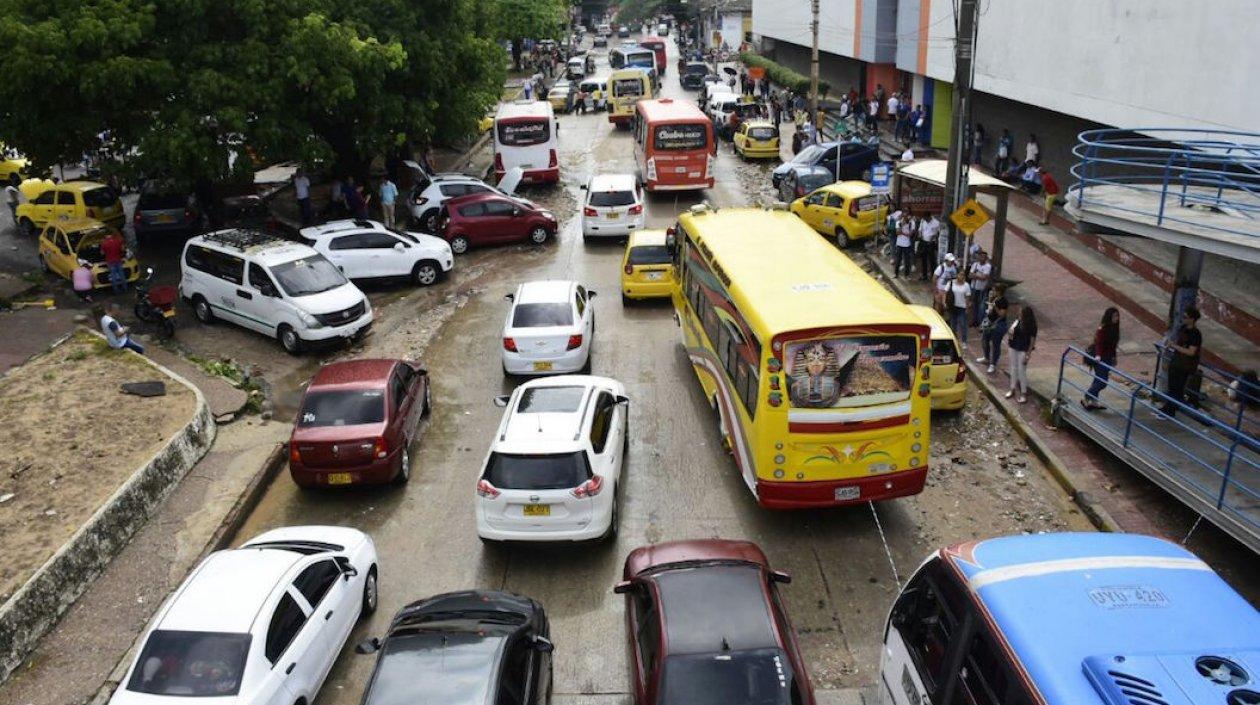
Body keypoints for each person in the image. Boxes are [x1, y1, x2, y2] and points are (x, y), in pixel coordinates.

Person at [1158, 307, 1202, 418]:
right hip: (1176, 362)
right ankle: (1167, 407)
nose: (1183, 319)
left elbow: (1191, 352)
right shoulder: (1183, 328)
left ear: (1192, 319)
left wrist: (1175, 346)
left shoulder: (1195, 334)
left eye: (1186, 317)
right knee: (1171, 386)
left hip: (1184, 366)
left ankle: (1171, 410)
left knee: (1177, 388)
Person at [1083, 307, 1120, 410]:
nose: (1116, 318)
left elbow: (1113, 345)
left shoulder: (1115, 329)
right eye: (1114, 316)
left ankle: (1093, 401)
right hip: (1100, 358)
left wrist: (1114, 357)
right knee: (1102, 381)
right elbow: (1099, 343)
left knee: (1098, 379)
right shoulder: (1102, 329)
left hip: (1108, 358)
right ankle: (1087, 396)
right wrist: (1098, 355)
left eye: (1117, 316)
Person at [1005, 305, 1038, 403]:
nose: (1019, 313)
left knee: (1021, 371)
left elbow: (1032, 341)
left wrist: (1028, 354)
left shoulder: (1032, 326)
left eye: (1021, 312)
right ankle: (1012, 389)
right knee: (1013, 368)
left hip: (1023, 349)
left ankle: (1023, 392)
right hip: (1013, 346)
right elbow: (1011, 332)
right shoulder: (1017, 321)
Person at [977, 284, 1009, 374]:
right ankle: (986, 357)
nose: (992, 291)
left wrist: (994, 307)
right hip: (989, 322)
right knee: (984, 340)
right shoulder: (995, 298)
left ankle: (993, 364)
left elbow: (1002, 314)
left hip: (998, 324)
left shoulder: (1004, 301)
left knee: (995, 344)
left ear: (999, 291)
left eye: (994, 290)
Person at [946, 269, 972, 344]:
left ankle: (964, 341)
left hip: (962, 308)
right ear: (957, 275)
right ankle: (954, 340)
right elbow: (946, 293)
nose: (962, 276)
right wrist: (945, 303)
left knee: (963, 325)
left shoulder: (966, 285)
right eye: (960, 274)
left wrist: (967, 308)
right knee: (953, 325)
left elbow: (967, 297)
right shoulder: (950, 283)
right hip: (952, 307)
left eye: (963, 275)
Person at [968, 249, 992, 326]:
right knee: (973, 305)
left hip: (982, 289)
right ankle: (973, 320)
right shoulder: (975, 265)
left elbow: (984, 277)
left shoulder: (988, 266)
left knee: (981, 306)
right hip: (973, 287)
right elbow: (970, 275)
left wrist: (975, 275)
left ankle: (980, 321)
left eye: (984, 257)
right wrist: (979, 276)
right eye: (981, 256)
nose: (982, 258)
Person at [101, 228, 127, 294]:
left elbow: (102, 253)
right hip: (118, 260)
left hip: (110, 262)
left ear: (105, 235)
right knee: (121, 274)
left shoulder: (104, 243)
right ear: (112, 234)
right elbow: (123, 249)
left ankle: (116, 290)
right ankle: (125, 288)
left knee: (113, 276)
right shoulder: (118, 241)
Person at [918, 214, 940, 281]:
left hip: (931, 243)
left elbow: (938, 233)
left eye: (926, 218)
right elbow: (920, 230)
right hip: (924, 242)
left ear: (929, 216)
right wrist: (920, 235)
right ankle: (924, 275)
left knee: (932, 260)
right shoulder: (922, 221)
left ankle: (933, 275)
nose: (925, 219)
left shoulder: (936, 222)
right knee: (923, 259)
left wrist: (933, 238)